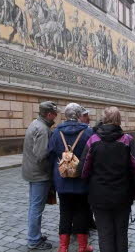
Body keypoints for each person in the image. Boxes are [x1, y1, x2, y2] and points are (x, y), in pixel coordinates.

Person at [80, 107, 135, 252]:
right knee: (121, 233)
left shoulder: (93, 140)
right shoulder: (127, 140)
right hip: (123, 194)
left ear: (104, 119)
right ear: (118, 120)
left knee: (104, 234)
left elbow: (83, 170)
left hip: (99, 196)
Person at [48, 103, 94, 252]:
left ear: (66, 116)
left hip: (62, 179)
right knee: (82, 210)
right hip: (82, 179)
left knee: (65, 211)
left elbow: (50, 155)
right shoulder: (88, 132)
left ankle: (63, 248)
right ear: (79, 115)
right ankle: (82, 247)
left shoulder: (56, 132)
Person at [22, 101, 58, 250]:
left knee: (33, 206)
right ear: (49, 114)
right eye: (55, 114)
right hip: (39, 175)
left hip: (31, 172)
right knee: (36, 207)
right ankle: (33, 240)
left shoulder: (35, 123)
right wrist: (49, 173)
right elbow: (41, 155)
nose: (56, 116)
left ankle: (34, 234)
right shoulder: (43, 129)